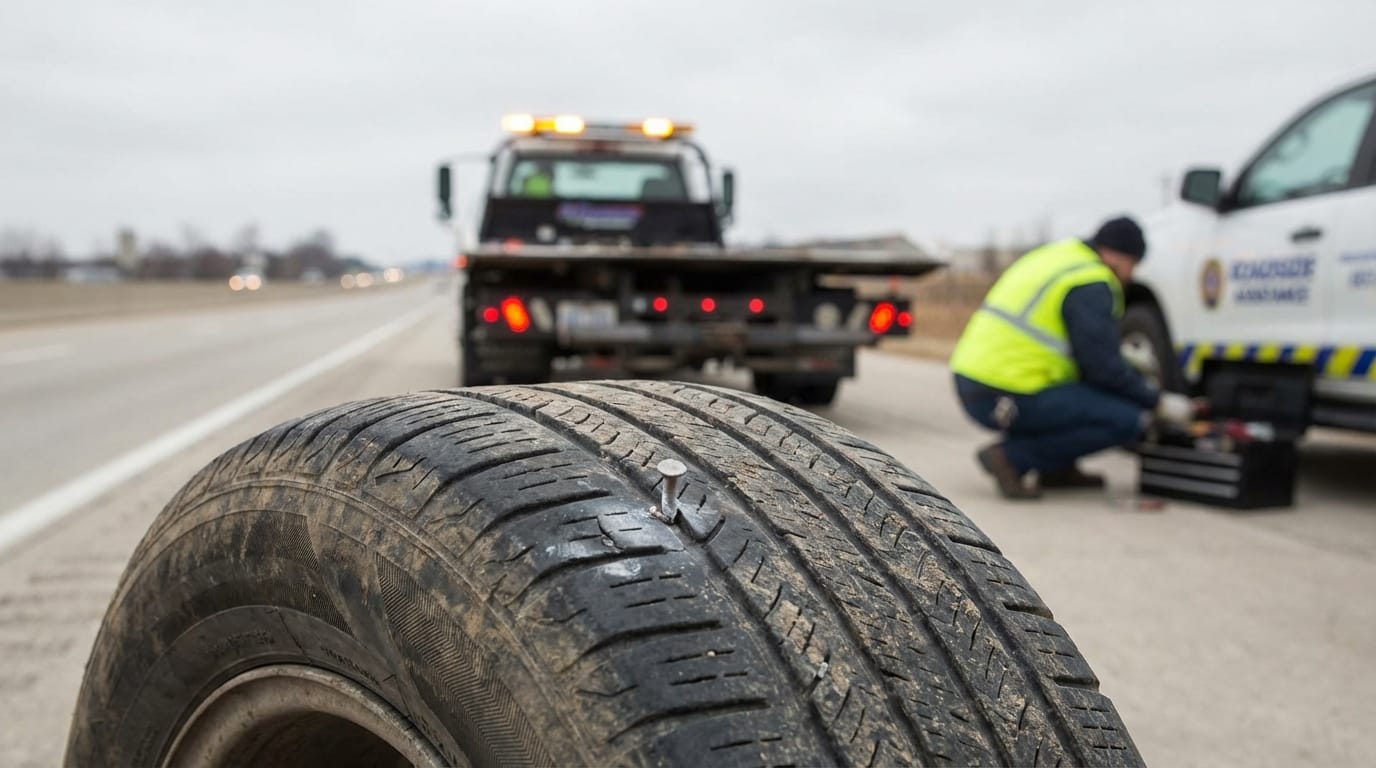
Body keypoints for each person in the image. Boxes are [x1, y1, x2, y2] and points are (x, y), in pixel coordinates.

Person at [949, 215, 1194, 499]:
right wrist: (1157, 402)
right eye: (1132, 265)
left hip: (979, 379)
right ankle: (1010, 457)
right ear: (1117, 256)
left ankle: (1057, 469)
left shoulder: (1060, 256)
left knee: (1084, 397)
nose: (1130, 275)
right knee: (1126, 420)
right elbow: (1102, 369)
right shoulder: (1091, 280)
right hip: (1001, 390)